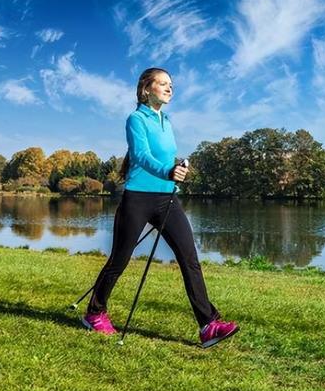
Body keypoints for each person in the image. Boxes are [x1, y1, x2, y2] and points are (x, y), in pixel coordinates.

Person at [82, 67, 239, 348]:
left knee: (189, 258)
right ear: (146, 89)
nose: (170, 89)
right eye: (163, 84)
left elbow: (167, 158)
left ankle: (208, 325)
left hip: (167, 199)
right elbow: (141, 156)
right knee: (119, 260)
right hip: (138, 199)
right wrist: (168, 170)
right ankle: (95, 313)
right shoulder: (136, 119)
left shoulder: (166, 121)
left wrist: (177, 170)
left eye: (171, 85)